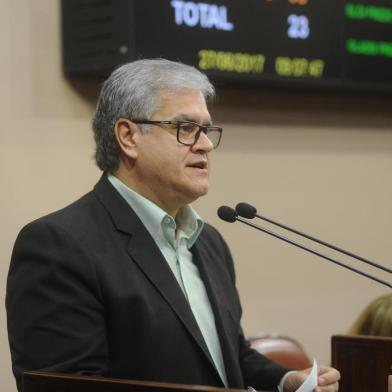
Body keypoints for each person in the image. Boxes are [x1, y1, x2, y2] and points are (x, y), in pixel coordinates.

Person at [6, 59, 340, 392]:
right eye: (186, 128)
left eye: (207, 130)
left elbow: (229, 357)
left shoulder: (208, 241)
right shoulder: (59, 246)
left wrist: (285, 381)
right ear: (128, 136)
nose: (206, 144)